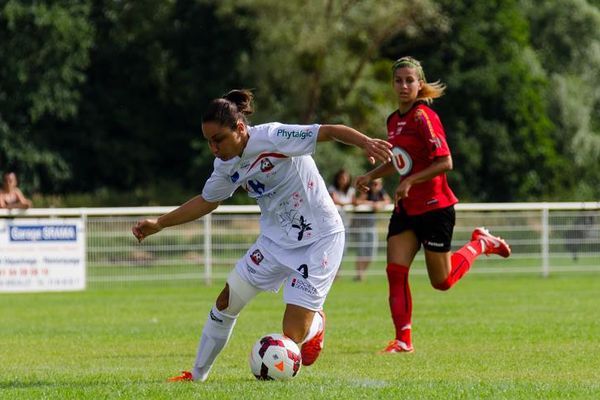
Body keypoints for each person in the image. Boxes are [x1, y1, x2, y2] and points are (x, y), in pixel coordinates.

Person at [132, 89, 392, 382]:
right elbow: (206, 201)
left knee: (292, 336)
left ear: (240, 128)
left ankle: (316, 324)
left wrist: (366, 142)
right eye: (209, 142)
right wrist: (160, 223)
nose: (214, 149)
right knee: (224, 304)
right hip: (273, 244)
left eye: (219, 139)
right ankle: (196, 375)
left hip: (319, 240)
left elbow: (328, 131)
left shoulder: (274, 137)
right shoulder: (225, 165)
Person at [355, 57, 511, 354]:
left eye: (409, 80)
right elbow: (399, 161)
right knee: (395, 271)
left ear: (419, 84)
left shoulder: (423, 117)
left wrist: (410, 181)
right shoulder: (393, 120)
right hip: (406, 210)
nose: (404, 86)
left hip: (435, 208)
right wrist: (371, 175)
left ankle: (480, 243)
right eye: (399, 80)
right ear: (392, 84)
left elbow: (445, 162)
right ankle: (403, 341)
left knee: (442, 282)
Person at [351, 178, 390, 281]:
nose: (375, 186)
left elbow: (387, 200)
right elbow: (358, 201)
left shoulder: (381, 192)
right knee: (362, 250)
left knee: (371, 252)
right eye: (373, 183)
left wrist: (379, 204)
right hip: (360, 225)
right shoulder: (366, 191)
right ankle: (359, 275)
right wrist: (372, 204)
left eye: (377, 184)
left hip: (371, 225)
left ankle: (361, 273)